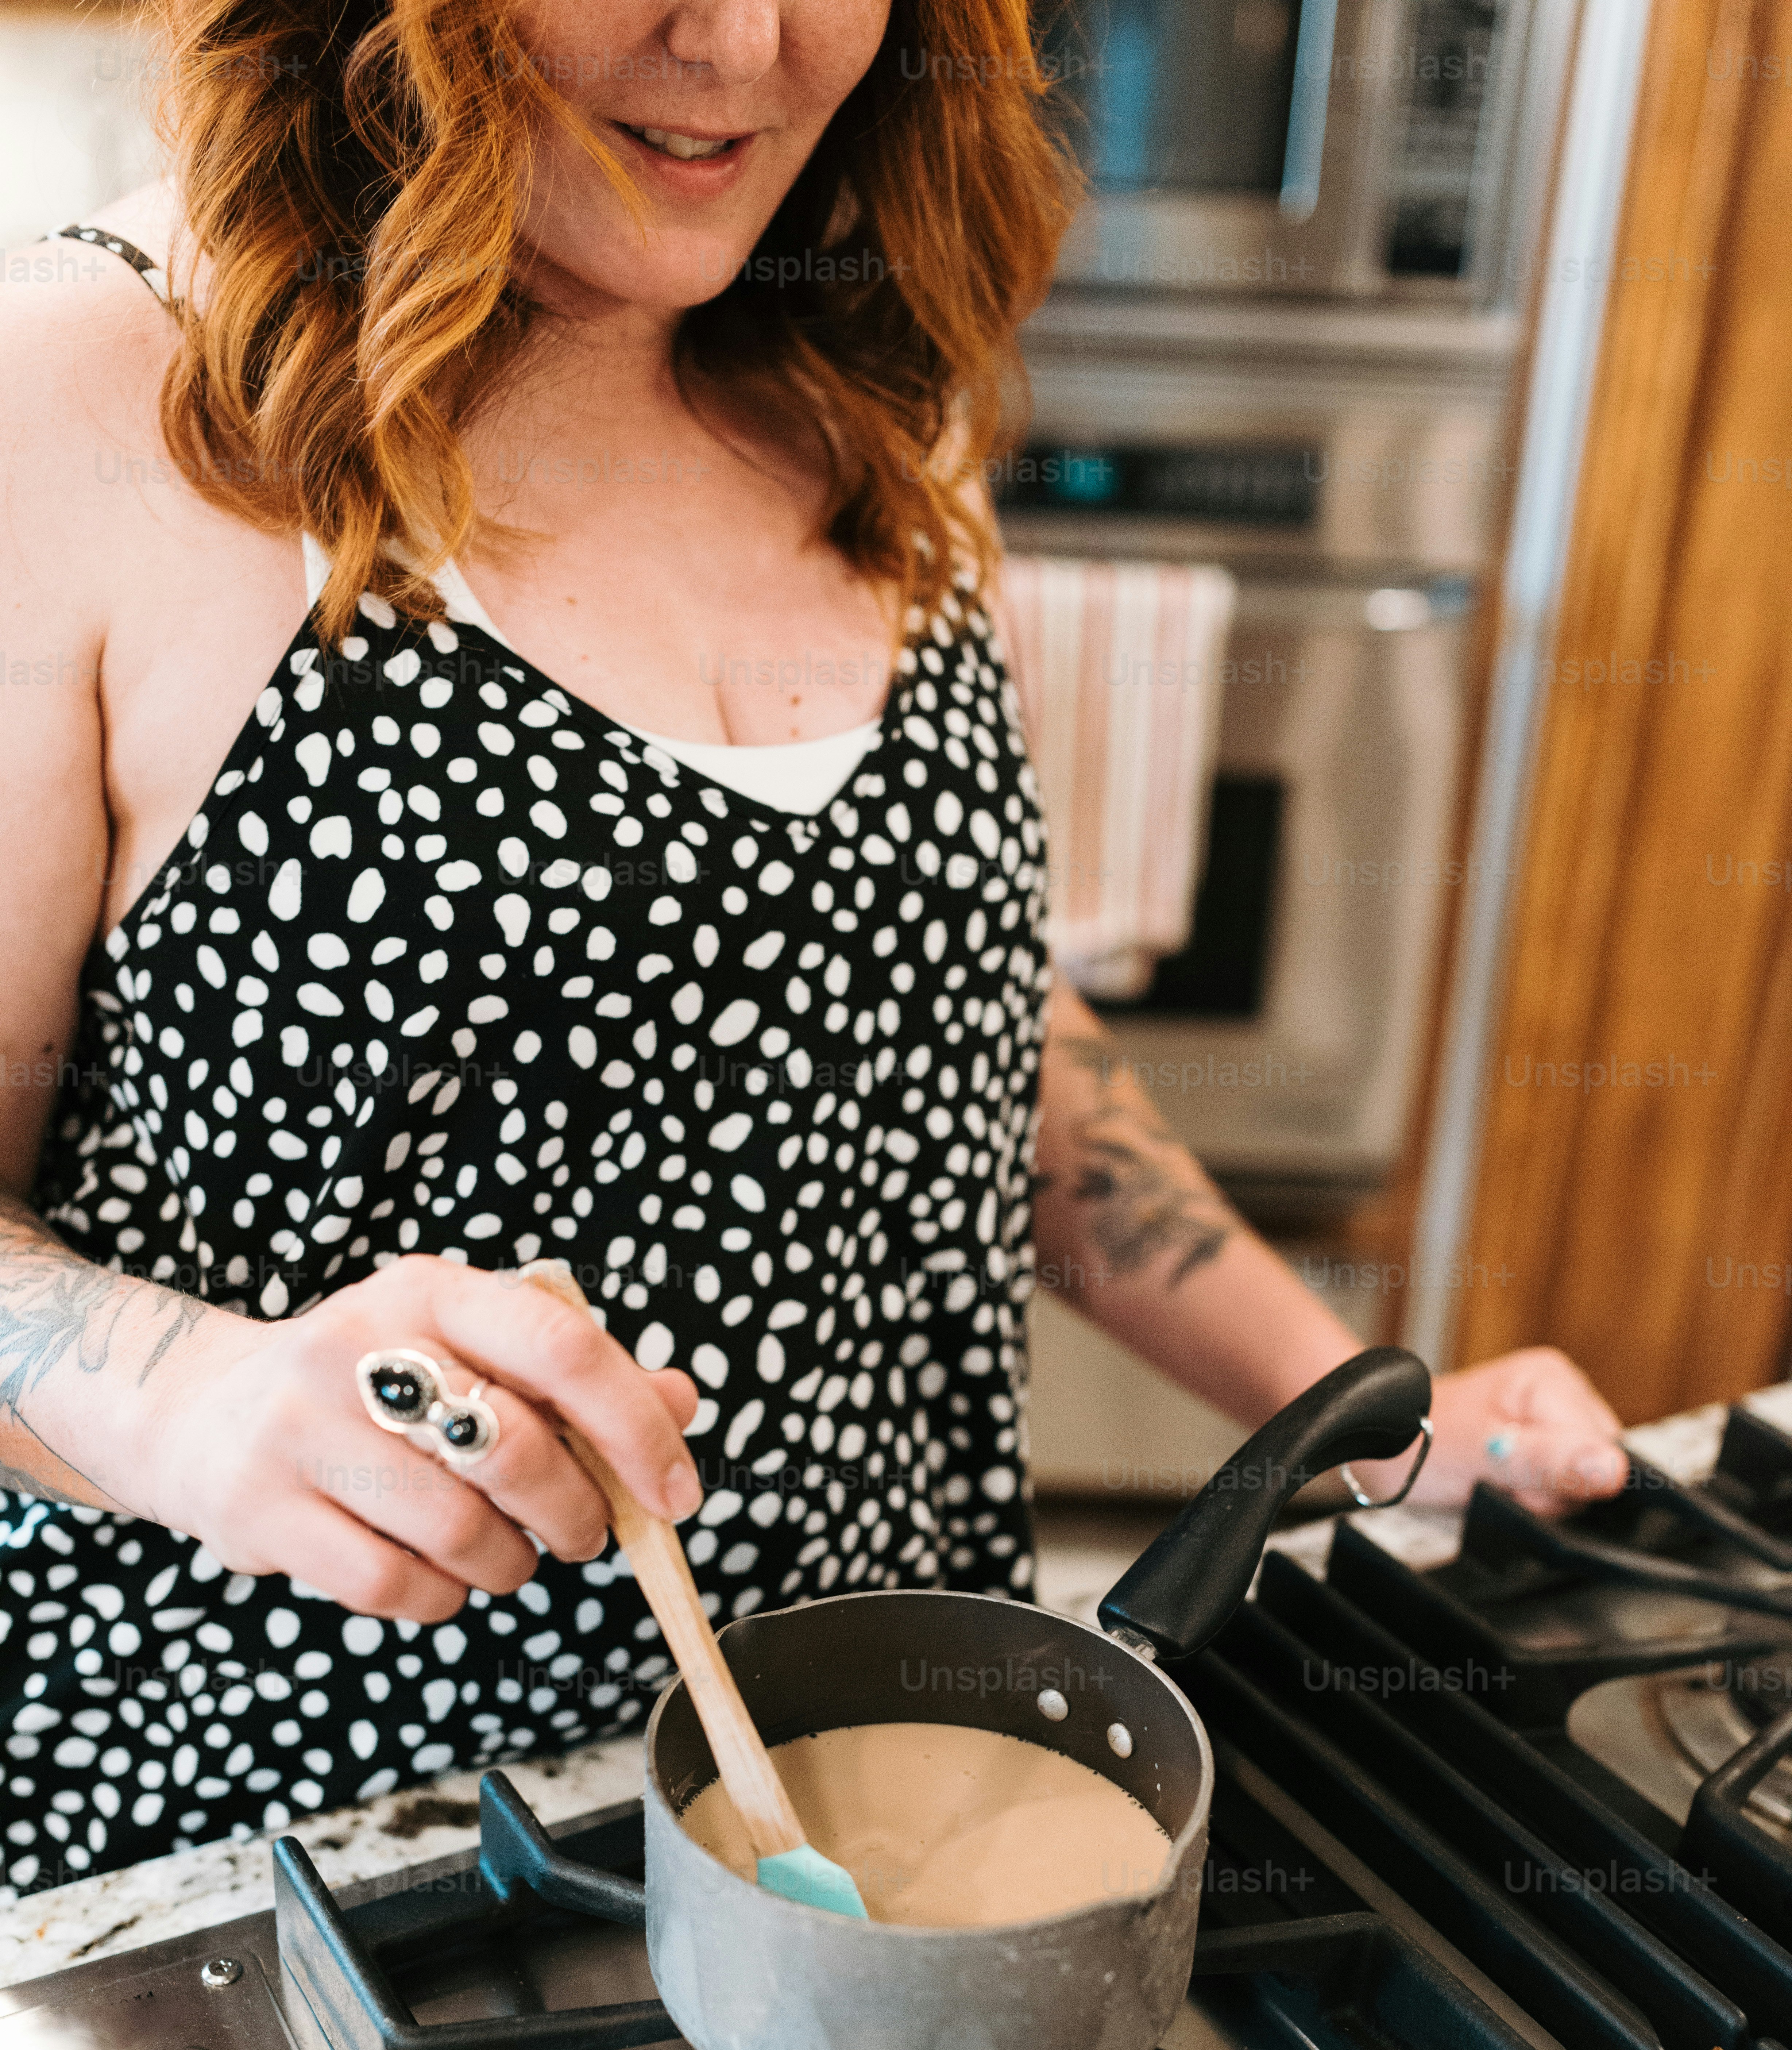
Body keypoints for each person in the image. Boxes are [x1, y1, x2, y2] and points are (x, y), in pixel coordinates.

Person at [0, 0, 1625, 1893]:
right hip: (320, 1878)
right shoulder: (95, 396)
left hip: (881, 1826)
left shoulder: (866, 385)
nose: (747, 40)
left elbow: (949, 1008)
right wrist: (190, 1396)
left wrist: (1347, 1411)